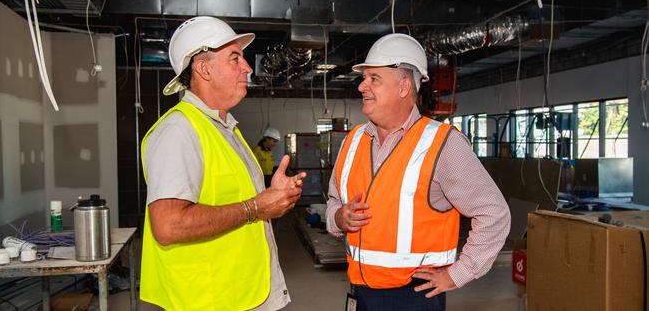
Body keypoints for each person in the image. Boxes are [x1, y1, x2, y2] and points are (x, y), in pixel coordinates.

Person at [326, 33, 510, 311]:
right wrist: (339, 218)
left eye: (374, 78)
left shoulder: (443, 144)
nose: (362, 86)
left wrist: (457, 274)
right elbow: (333, 203)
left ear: (403, 87)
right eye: (364, 78)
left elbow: (493, 213)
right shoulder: (352, 142)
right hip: (360, 291)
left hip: (413, 296)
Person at [139, 16, 306, 311]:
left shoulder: (226, 129)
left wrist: (270, 195)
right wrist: (256, 207)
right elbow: (168, 224)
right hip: (207, 299)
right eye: (235, 58)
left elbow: (233, 197)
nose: (248, 68)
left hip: (239, 292)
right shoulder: (179, 131)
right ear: (203, 68)